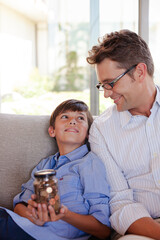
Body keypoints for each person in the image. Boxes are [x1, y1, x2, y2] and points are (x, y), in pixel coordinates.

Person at [0, 99, 111, 240]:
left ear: (88, 133)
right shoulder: (45, 165)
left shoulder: (90, 163)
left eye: (80, 118)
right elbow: (19, 205)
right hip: (22, 226)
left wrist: (65, 214)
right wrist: (34, 218)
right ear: (52, 131)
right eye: (65, 116)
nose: (72, 121)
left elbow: (103, 230)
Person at [86, 29, 160, 240]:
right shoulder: (101, 130)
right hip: (142, 230)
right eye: (103, 85)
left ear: (139, 72)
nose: (107, 93)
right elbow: (120, 203)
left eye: (111, 82)